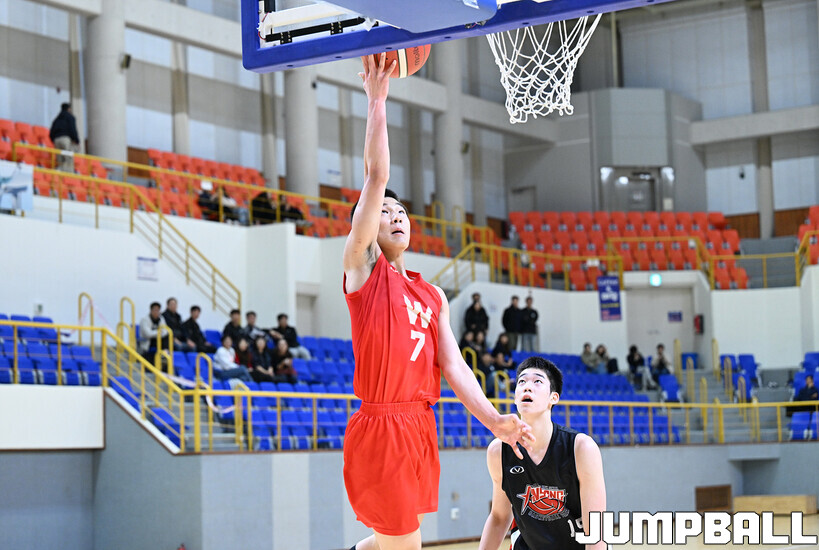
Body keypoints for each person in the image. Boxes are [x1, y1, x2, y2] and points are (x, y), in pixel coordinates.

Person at [342, 54, 532, 550]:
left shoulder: (432, 295)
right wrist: (377, 101)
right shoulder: (362, 268)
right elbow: (376, 176)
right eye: (384, 212)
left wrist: (494, 420)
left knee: (388, 541)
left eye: (401, 212)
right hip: (381, 426)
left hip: (419, 425)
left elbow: (454, 365)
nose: (394, 216)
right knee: (405, 544)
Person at [478, 356, 607, 550]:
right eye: (522, 382)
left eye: (537, 381)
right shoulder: (499, 451)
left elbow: (595, 531)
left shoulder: (582, 448)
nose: (527, 387)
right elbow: (499, 517)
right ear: (515, 396)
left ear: (553, 398)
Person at [49, 103, 80, 172]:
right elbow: (72, 129)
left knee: (60, 160)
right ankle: (69, 175)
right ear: (68, 109)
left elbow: (51, 132)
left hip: (56, 140)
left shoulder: (56, 119)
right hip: (65, 139)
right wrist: (76, 140)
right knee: (68, 159)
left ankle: (60, 174)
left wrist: (54, 140)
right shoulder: (70, 117)